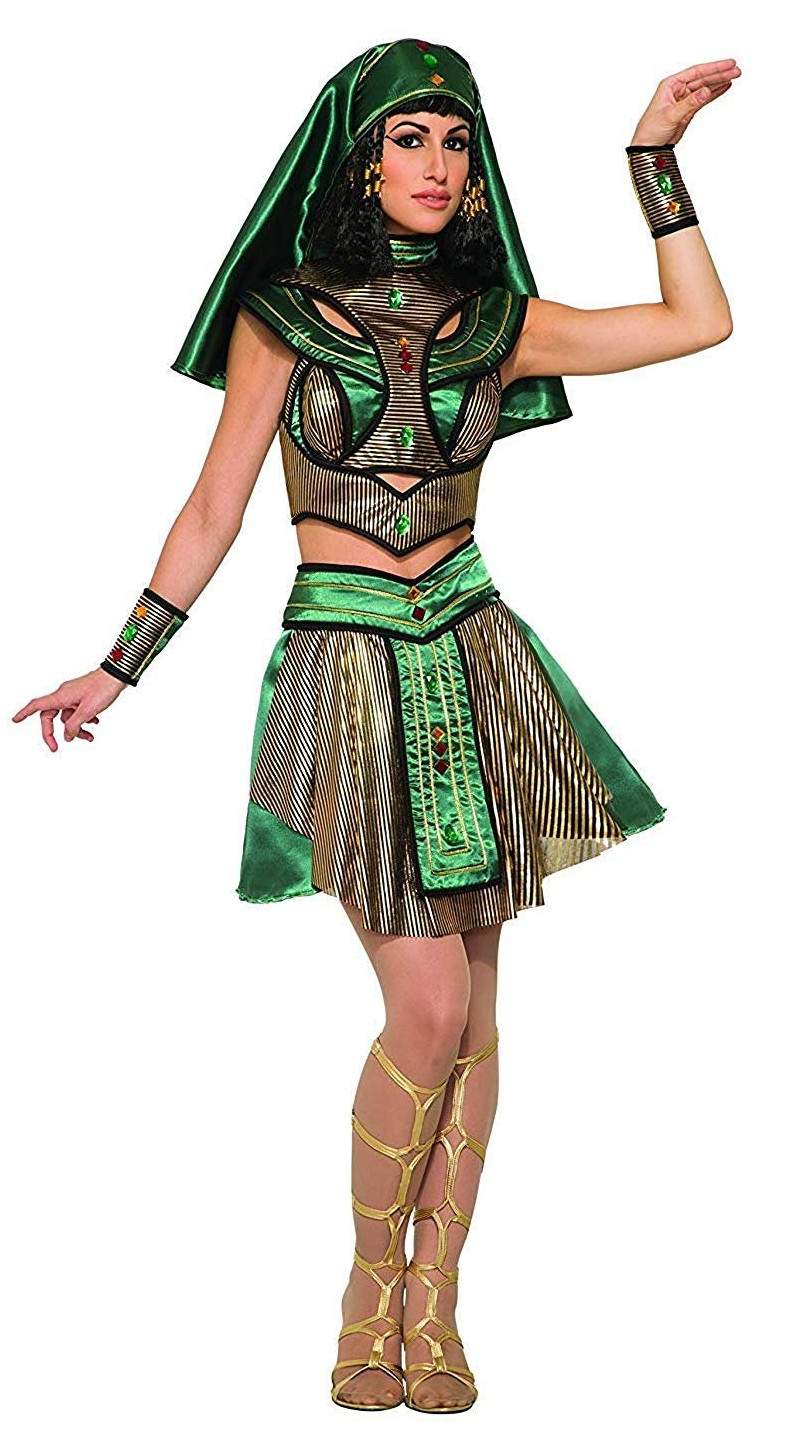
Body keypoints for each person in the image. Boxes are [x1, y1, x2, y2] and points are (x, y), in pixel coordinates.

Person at [12, 37, 738, 1414]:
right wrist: (120, 665)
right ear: (358, 159)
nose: (438, 164)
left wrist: (653, 157)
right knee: (431, 1003)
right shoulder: (285, 313)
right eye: (411, 138)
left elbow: (697, 323)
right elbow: (217, 504)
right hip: (344, 665)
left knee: (478, 1012)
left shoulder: (497, 317)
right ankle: (366, 1296)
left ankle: (436, 1306)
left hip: (476, 661)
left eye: (457, 141)